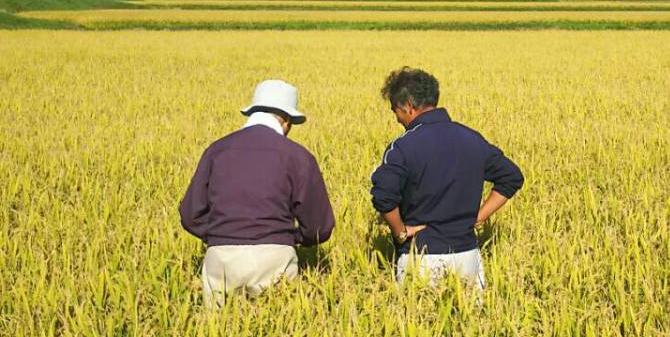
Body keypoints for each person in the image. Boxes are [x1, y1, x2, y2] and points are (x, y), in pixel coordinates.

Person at [180, 79, 334, 306]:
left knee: (216, 334)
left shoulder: (216, 150)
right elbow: (320, 227)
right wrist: (292, 238)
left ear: (252, 112)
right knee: (278, 333)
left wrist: (221, 234)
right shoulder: (298, 156)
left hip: (221, 257)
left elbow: (189, 214)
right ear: (287, 121)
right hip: (275, 258)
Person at [370, 67, 524, 289]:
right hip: (467, 256)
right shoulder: (472, 139)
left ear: (409, 107)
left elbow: (383, 196)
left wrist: (400, 232)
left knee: (419, 321)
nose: (396, 118)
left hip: (421, 257)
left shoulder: (402, 147)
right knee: (470, 322)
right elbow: (511, 177)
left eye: (395, 111)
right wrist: (477, 218)